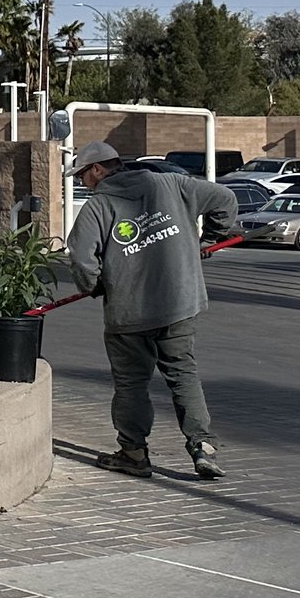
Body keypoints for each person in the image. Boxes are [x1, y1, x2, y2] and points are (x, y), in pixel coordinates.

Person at [64, 140, 239, 481]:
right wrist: (209, 240)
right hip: (179, 305)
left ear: (97, 169)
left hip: (129, 314)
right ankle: (203, 447)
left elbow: (82, 259)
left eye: (83, 175)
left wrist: (93, 286)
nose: (83, 182)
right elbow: (225, 200)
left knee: (131, 384)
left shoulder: (98, 207)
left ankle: (133, 453)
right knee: (183, 374)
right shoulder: (171, 183)